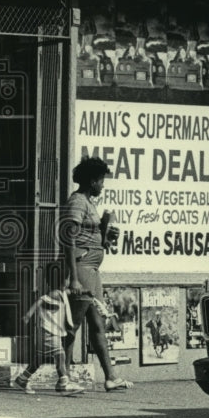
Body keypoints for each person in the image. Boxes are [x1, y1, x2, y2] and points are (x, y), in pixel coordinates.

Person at [61, 156, 132, 392]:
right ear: (92, 180)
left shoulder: (89, 203)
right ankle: (64, 377)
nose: (103, 185)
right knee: (73, 325)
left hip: (92, 270)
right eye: (101, 180)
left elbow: (89, 236)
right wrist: (73, 278)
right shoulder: (78, 202)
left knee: (98, 323)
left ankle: (110, 377)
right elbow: (68, 240)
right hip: (82, 270)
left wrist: (105, 229)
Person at [12, 287, 84, 395]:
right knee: (60, 356)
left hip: (47, 332)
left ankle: (21, 380)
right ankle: (64, 384)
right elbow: (39, 304)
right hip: (49, 333)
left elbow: (72, 291)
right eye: (68, 279)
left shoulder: (59, 294)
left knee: (39, 360)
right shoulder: (53, 296)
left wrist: (86, 291)